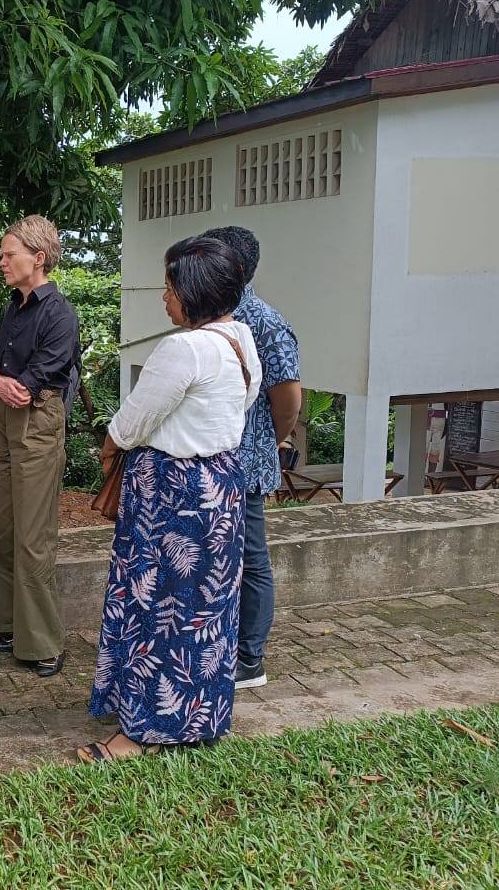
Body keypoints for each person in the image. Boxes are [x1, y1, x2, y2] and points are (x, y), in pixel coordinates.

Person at [79, 236, 261, 761]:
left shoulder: (183, 349)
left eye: (170, 287)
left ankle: (141, 732)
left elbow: (131, 422)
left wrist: (110, 447)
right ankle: (198, 716)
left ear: (195, 292)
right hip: (219, 488)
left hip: (170, 492)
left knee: (157, 606)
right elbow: (245, 403)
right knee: (205, 606)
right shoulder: (240, 339)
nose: (164, 297)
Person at [0, 215, 80, 678]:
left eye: (7, 254)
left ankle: (42, 643)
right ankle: (4, 624)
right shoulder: (12, 308)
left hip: (37, 418)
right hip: (0, 415)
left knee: (34, 535)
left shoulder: (59, 312)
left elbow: (37, 379)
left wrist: (7, 383)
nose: (1, 262)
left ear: (38, 258)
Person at [202, 226, 301, 690]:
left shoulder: (264, 322)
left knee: (251, 558)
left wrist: (269, 440)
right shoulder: (212, 316)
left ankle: (249, 659)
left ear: (234, 270)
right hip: (213, 459)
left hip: (245, 461)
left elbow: (288, 399)